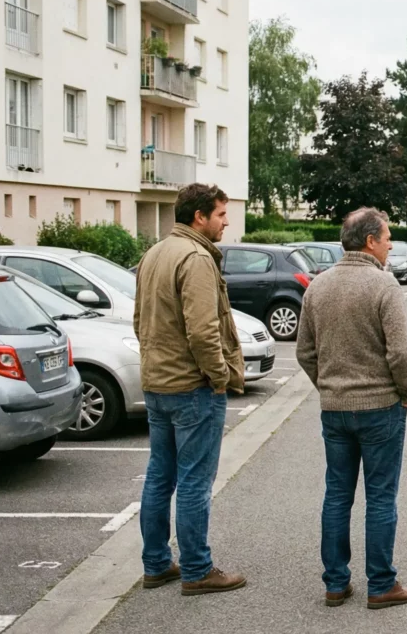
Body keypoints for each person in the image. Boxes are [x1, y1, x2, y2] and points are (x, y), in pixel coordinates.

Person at [296, 207, 407, 610]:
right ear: (369, 241)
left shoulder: (318, 286)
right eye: (386, 239)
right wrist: (406, 392)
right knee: (381, 497)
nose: (389, 245)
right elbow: (400, 352)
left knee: (337, 495)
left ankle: (335, 583)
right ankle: (382, 584)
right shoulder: (384, 285)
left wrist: (328, 387)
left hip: (334, 409)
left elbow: (304, 352)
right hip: (381, 406)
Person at [133, 183, 246, 595]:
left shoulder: (154, 253)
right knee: (195, 479)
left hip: (157, 384)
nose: (226, 221)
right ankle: (198, 570)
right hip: (190, 387)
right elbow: (203, 331)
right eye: (220, 214)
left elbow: (139, 319)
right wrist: (218, 377)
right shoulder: (196, 257)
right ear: (199, 217)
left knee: (159, 476)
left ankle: (157, 564)